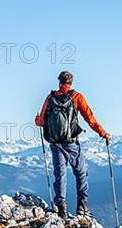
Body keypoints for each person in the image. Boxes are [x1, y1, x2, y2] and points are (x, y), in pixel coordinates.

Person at [35, 71, 110, 218]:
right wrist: (103, 133)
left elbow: (41, 122)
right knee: (81, 173)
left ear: (59, 82)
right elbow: (90, 118)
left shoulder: (50, 98)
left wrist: (36, 119)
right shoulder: (76, 97)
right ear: (71, 82)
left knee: (60, 174)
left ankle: (61, 206)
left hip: (56, 143)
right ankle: (82, 206)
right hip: (72, 143)